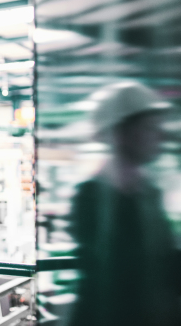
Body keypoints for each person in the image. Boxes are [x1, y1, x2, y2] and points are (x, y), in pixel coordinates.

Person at [68, 82, 181, 326]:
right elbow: (123, 278)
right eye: (150, 127)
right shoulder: (90, 199)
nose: (161, 135)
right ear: (119, 134)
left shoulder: (149, 192)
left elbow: (165, 261)